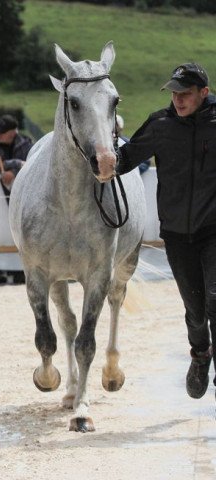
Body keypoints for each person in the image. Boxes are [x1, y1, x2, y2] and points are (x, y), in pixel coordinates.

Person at [116, 62, 216, 402]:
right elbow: (125, 158)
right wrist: (102, 162)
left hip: (213, 229)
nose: (178, 100)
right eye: (174, 93)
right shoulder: (160, 124)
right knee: (196, 308)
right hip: (176, 233)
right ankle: (201, 355)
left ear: (204, 92)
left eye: (185, 94)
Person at [0, 114, 34, 193]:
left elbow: (32, 166)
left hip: (24, 190)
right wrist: (16, 163)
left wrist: (14, 173)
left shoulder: (26, 143)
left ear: (12, 133)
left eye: (1, 133)